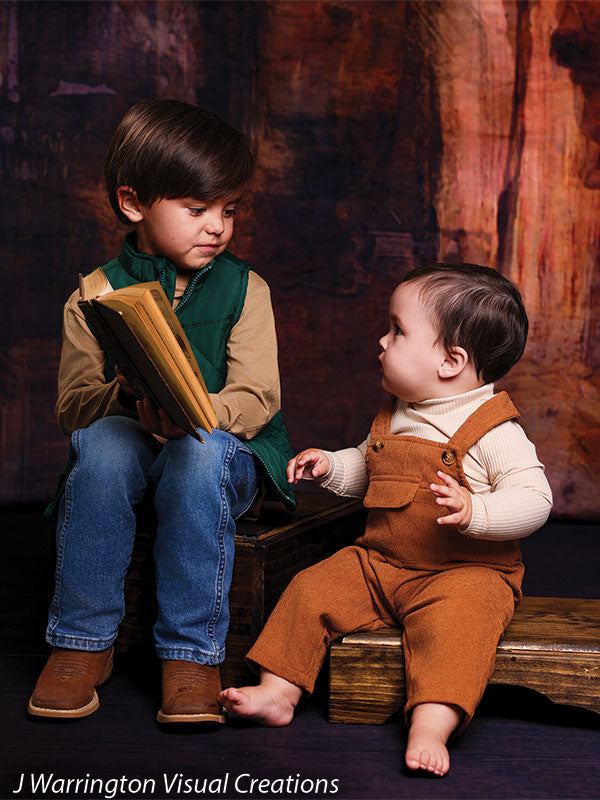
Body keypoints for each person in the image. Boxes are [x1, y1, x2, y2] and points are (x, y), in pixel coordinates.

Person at [220, 263, 552, 776]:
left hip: (464, 574)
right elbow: (370, 470)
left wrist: (476, 511)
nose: (382, 339)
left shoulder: (492, 430)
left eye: (398, 330)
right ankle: (277, 690)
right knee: (312, 589)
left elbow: (535, 498)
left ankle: (430, 724)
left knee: (458, 632)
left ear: (450, 361)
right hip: (380, 564)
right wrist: (333, 466)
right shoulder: (398, 412)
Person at [28, 99, 295, 725]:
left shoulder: (246, 289)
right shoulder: (94, 295)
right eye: (197, 210)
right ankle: (80, 644)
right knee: (101, 446)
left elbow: (258, 399)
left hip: (221, 453)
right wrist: (126, 390)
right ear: (132, 203)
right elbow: (73, 408)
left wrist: (196, 413)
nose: (217, 227)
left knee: (197, 454)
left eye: (228, 210)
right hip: (132, 444)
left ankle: (191, 652)